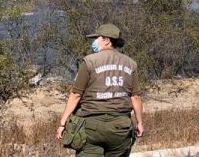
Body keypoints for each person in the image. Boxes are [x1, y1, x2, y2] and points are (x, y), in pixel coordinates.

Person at [56, 23, 144, 156]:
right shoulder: (130, 63)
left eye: (97, 38)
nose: (94, 41)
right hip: (120, 127)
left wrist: (63, 123)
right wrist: (140, 123)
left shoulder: (89, 62)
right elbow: (135, 97)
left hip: (92, 127)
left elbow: (76, 94)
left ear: (107, 40)